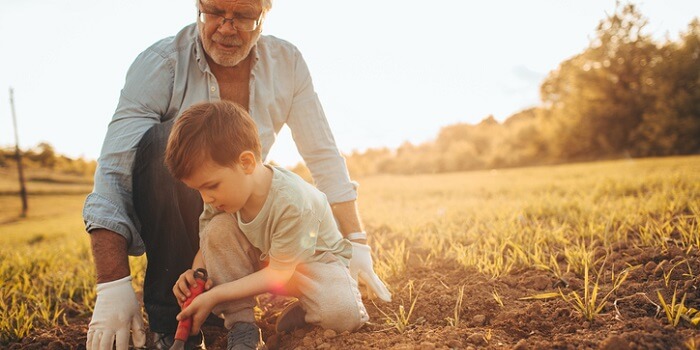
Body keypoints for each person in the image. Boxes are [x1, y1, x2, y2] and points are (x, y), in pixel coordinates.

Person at [83, 0, 390, 349]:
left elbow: (321, 152)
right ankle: (175, 318)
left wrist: (357, 239)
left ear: (264, 13)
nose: (226, 28)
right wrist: (112, 283)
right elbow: (114, 170)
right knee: (169, 145)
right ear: (198, 6)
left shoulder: (287, 64)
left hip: (264, 223)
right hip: (212, 211)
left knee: (337, 307)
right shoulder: (161, 64)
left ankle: (228, 299)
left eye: (243, 16)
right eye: (214, 12)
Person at [167, 101, 369, 349]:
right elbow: (210, 244)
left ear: (246, 163)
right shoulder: (220, 197)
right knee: (217, 228)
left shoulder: (292, 202)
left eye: (211, 186)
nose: (205, 198)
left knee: (341, 316)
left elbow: (278, 273)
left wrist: (215, 295)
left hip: (315, 263)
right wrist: (196, 275)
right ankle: (242, 326)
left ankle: (308, 309)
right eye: (198, 189)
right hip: (269, 260)